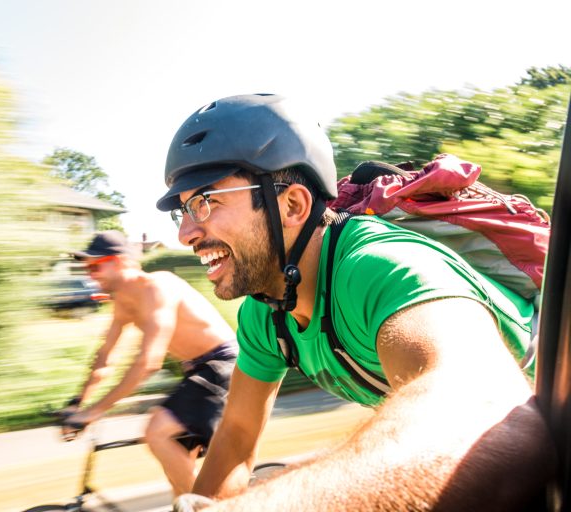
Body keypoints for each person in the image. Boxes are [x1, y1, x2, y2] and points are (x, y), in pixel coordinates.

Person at [155, 94, 554, 511]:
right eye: (182, 210)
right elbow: (236, 434)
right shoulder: (265, 314)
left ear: (292, 205)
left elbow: (485, 420)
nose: (186, 233)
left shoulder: (379, 266)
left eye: (205, 202)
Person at [61, 230, 238, 496]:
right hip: (197, 372)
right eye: (87, 269)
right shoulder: (123, 303)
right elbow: (104, 359)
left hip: (222, 365)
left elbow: (148, 362)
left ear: (119, 262)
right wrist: (77, 403)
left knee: (157, 432)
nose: (90, 275)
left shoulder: (158, 287)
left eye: (95, 266)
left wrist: (93, 412)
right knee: (177, 468)